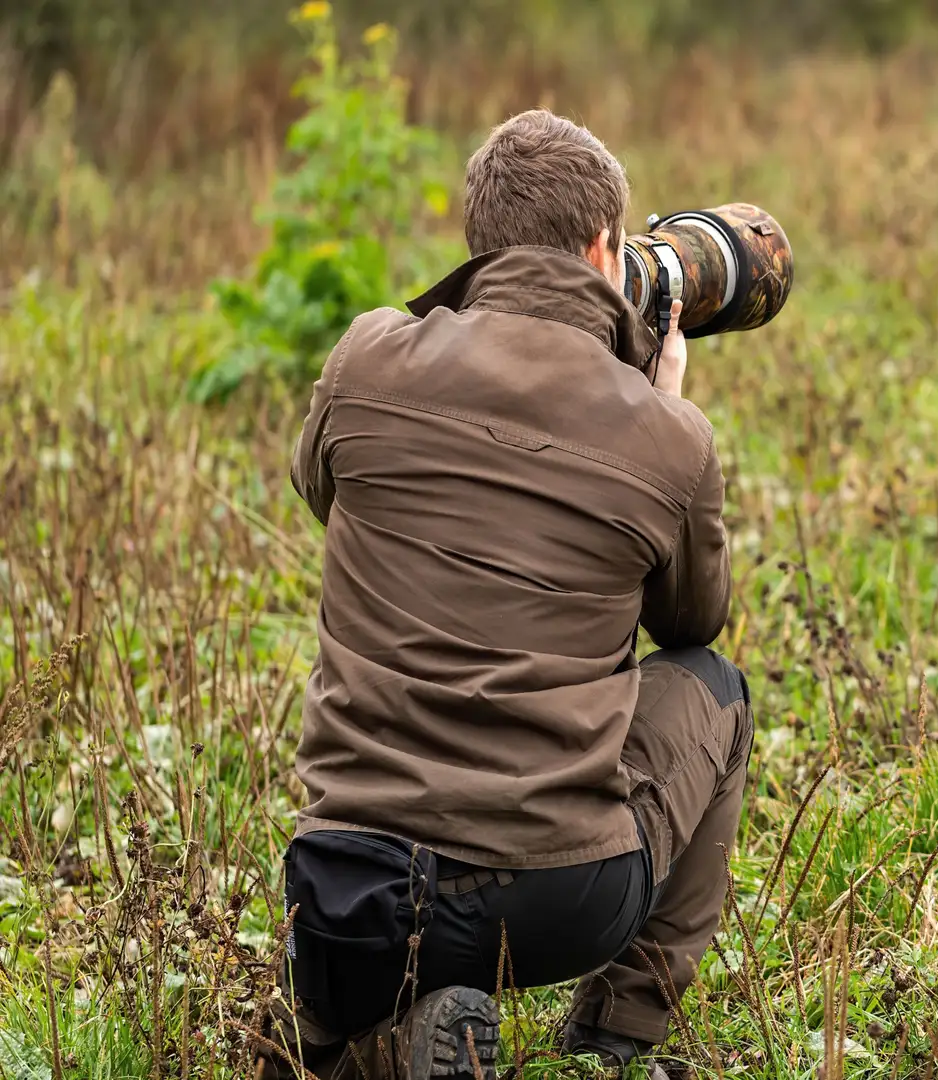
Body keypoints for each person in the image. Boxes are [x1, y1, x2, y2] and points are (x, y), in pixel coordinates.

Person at [256, 108, 754, 1080]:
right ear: (607, 247)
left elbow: (319, 488)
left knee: (330, 1020)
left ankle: (376, 1032)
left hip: (352, 883)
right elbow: (690, 624)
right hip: (560, 898)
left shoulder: (366, 358)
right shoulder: (666, 435)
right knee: (714, 686)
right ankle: (613, 1041)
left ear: (476, 245)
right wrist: (661, 407)